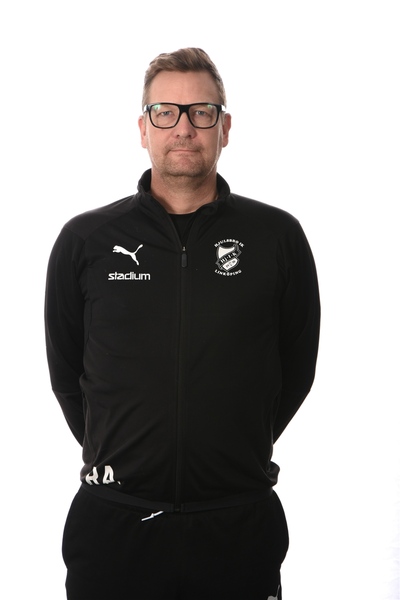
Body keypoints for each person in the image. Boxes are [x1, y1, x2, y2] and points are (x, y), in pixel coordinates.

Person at [45, 47, 320, 600]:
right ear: (143, 128)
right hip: (114, 525)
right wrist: (126, 456)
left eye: (202, 112)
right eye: (166, 111)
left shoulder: (276, 238)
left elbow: (296, 372)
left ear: (225, 128)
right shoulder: (86, 241)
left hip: (238, 524)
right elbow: (67, 374)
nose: (185, 127)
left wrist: (230, 450)